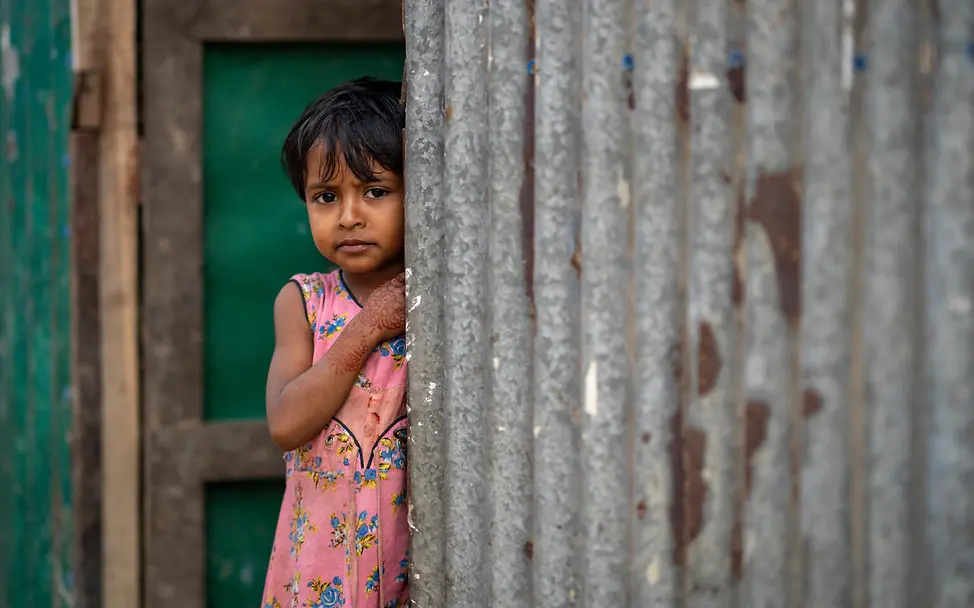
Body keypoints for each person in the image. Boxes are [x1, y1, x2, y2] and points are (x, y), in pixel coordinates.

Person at [261, 77, 409, 608]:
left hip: (410, 563)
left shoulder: (433, 300)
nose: (349, 216)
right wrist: (369, 327)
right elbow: (285, 424)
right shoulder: (304, 303)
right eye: (326, 197)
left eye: (375, 191)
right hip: (320, 567)